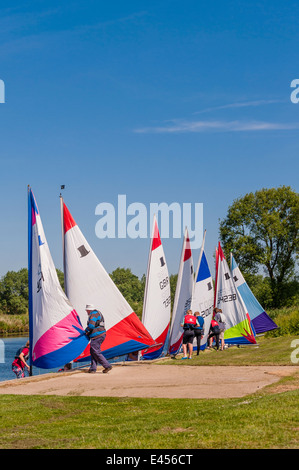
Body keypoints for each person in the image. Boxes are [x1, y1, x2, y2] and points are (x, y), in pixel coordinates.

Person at [85, 304, 112, 373]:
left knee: (95, 351)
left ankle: (107, 365)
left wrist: (86, 331)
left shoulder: (93, 314)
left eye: (86, 311)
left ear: (88, 310)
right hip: (99, 335)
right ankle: (93, 368)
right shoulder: (96, 313)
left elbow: (91, 326)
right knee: (93, 351)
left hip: (98, 335)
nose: (86, 312)